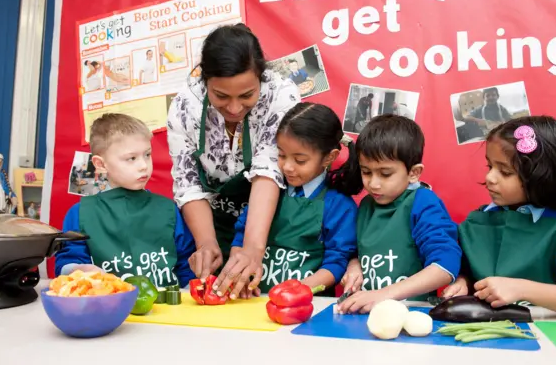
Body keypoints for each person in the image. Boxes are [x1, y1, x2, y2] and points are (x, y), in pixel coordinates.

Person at [167, 24, 300, 299]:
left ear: (261, 79)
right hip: (210, 218)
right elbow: (188, 182)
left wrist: (253, 248)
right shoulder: (185, 105)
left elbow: (268, 169)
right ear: (205, 81)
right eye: (221, 96)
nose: (235, 108)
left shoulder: (281, 94)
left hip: (268, 220)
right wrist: (206, 243)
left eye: (247, 95)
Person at [443, 116, 556, 317]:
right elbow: (466, 271)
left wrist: (521, 289)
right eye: (490, 167)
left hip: (548, 340)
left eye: (505, 172)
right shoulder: (475, 222)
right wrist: (463, 282)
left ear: (543, 177)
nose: (490, 178)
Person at [233, 103, 362, 295]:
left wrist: (299, 290)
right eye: (281, 155)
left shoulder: (340, 206)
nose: (288, 167)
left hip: (308, 307)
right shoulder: (267, 192)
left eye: (300, 160)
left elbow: (337, 263)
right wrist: (240, 275)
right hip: (254, 300)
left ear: (329, 157)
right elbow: (241, 237)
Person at [337, 115, 462, 314]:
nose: (373, 183)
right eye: (366, 172)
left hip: (409, 315)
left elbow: (445, 266)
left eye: (385, 174)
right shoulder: (366, 205)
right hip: (366, 314)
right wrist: (354, 266)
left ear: (414, 172)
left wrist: (383, 294)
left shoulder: (423, 202)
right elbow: (356, 252)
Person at [55, 113, 195, 288]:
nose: (144, 165)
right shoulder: (80, 214)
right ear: (100, 164)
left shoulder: (168, 209)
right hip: (109, 309)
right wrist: (81, 270)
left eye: (147, 155)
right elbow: (66, 265)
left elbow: (187, 266)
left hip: (167, 310)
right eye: (131, 158)